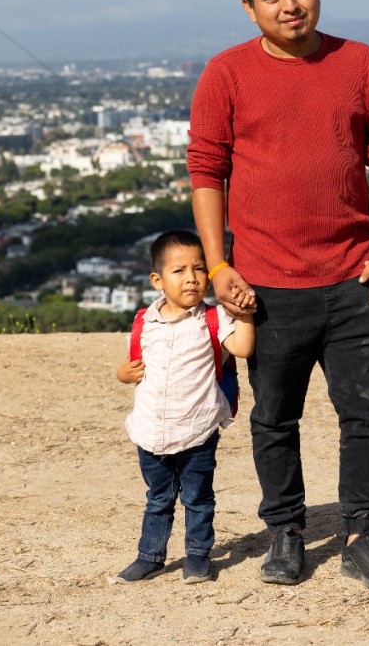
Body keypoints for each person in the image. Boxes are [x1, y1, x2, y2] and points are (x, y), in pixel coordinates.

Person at [187, 0, 369, 590]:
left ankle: (362, 534)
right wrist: (218, 264)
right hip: (265, 285)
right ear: (249, 7)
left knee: (366, 413)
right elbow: (207, 171)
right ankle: (284, 531)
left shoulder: (361, 62)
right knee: (272, 416)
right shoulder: (225, 73)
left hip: (353, 278)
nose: (290, 5)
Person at [114, 229, 254, 584]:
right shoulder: (144, 320)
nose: (191, 278)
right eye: (179, 271)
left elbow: (242, 349)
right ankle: (150, 555)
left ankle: (197, 556)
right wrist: (122, 374)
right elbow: (132, 367)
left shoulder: (213, 318)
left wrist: (246, 315)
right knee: (158, 498)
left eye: (200, 269)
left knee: (198, 498)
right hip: (151, 430)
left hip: (197, 428)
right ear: (157, 279)